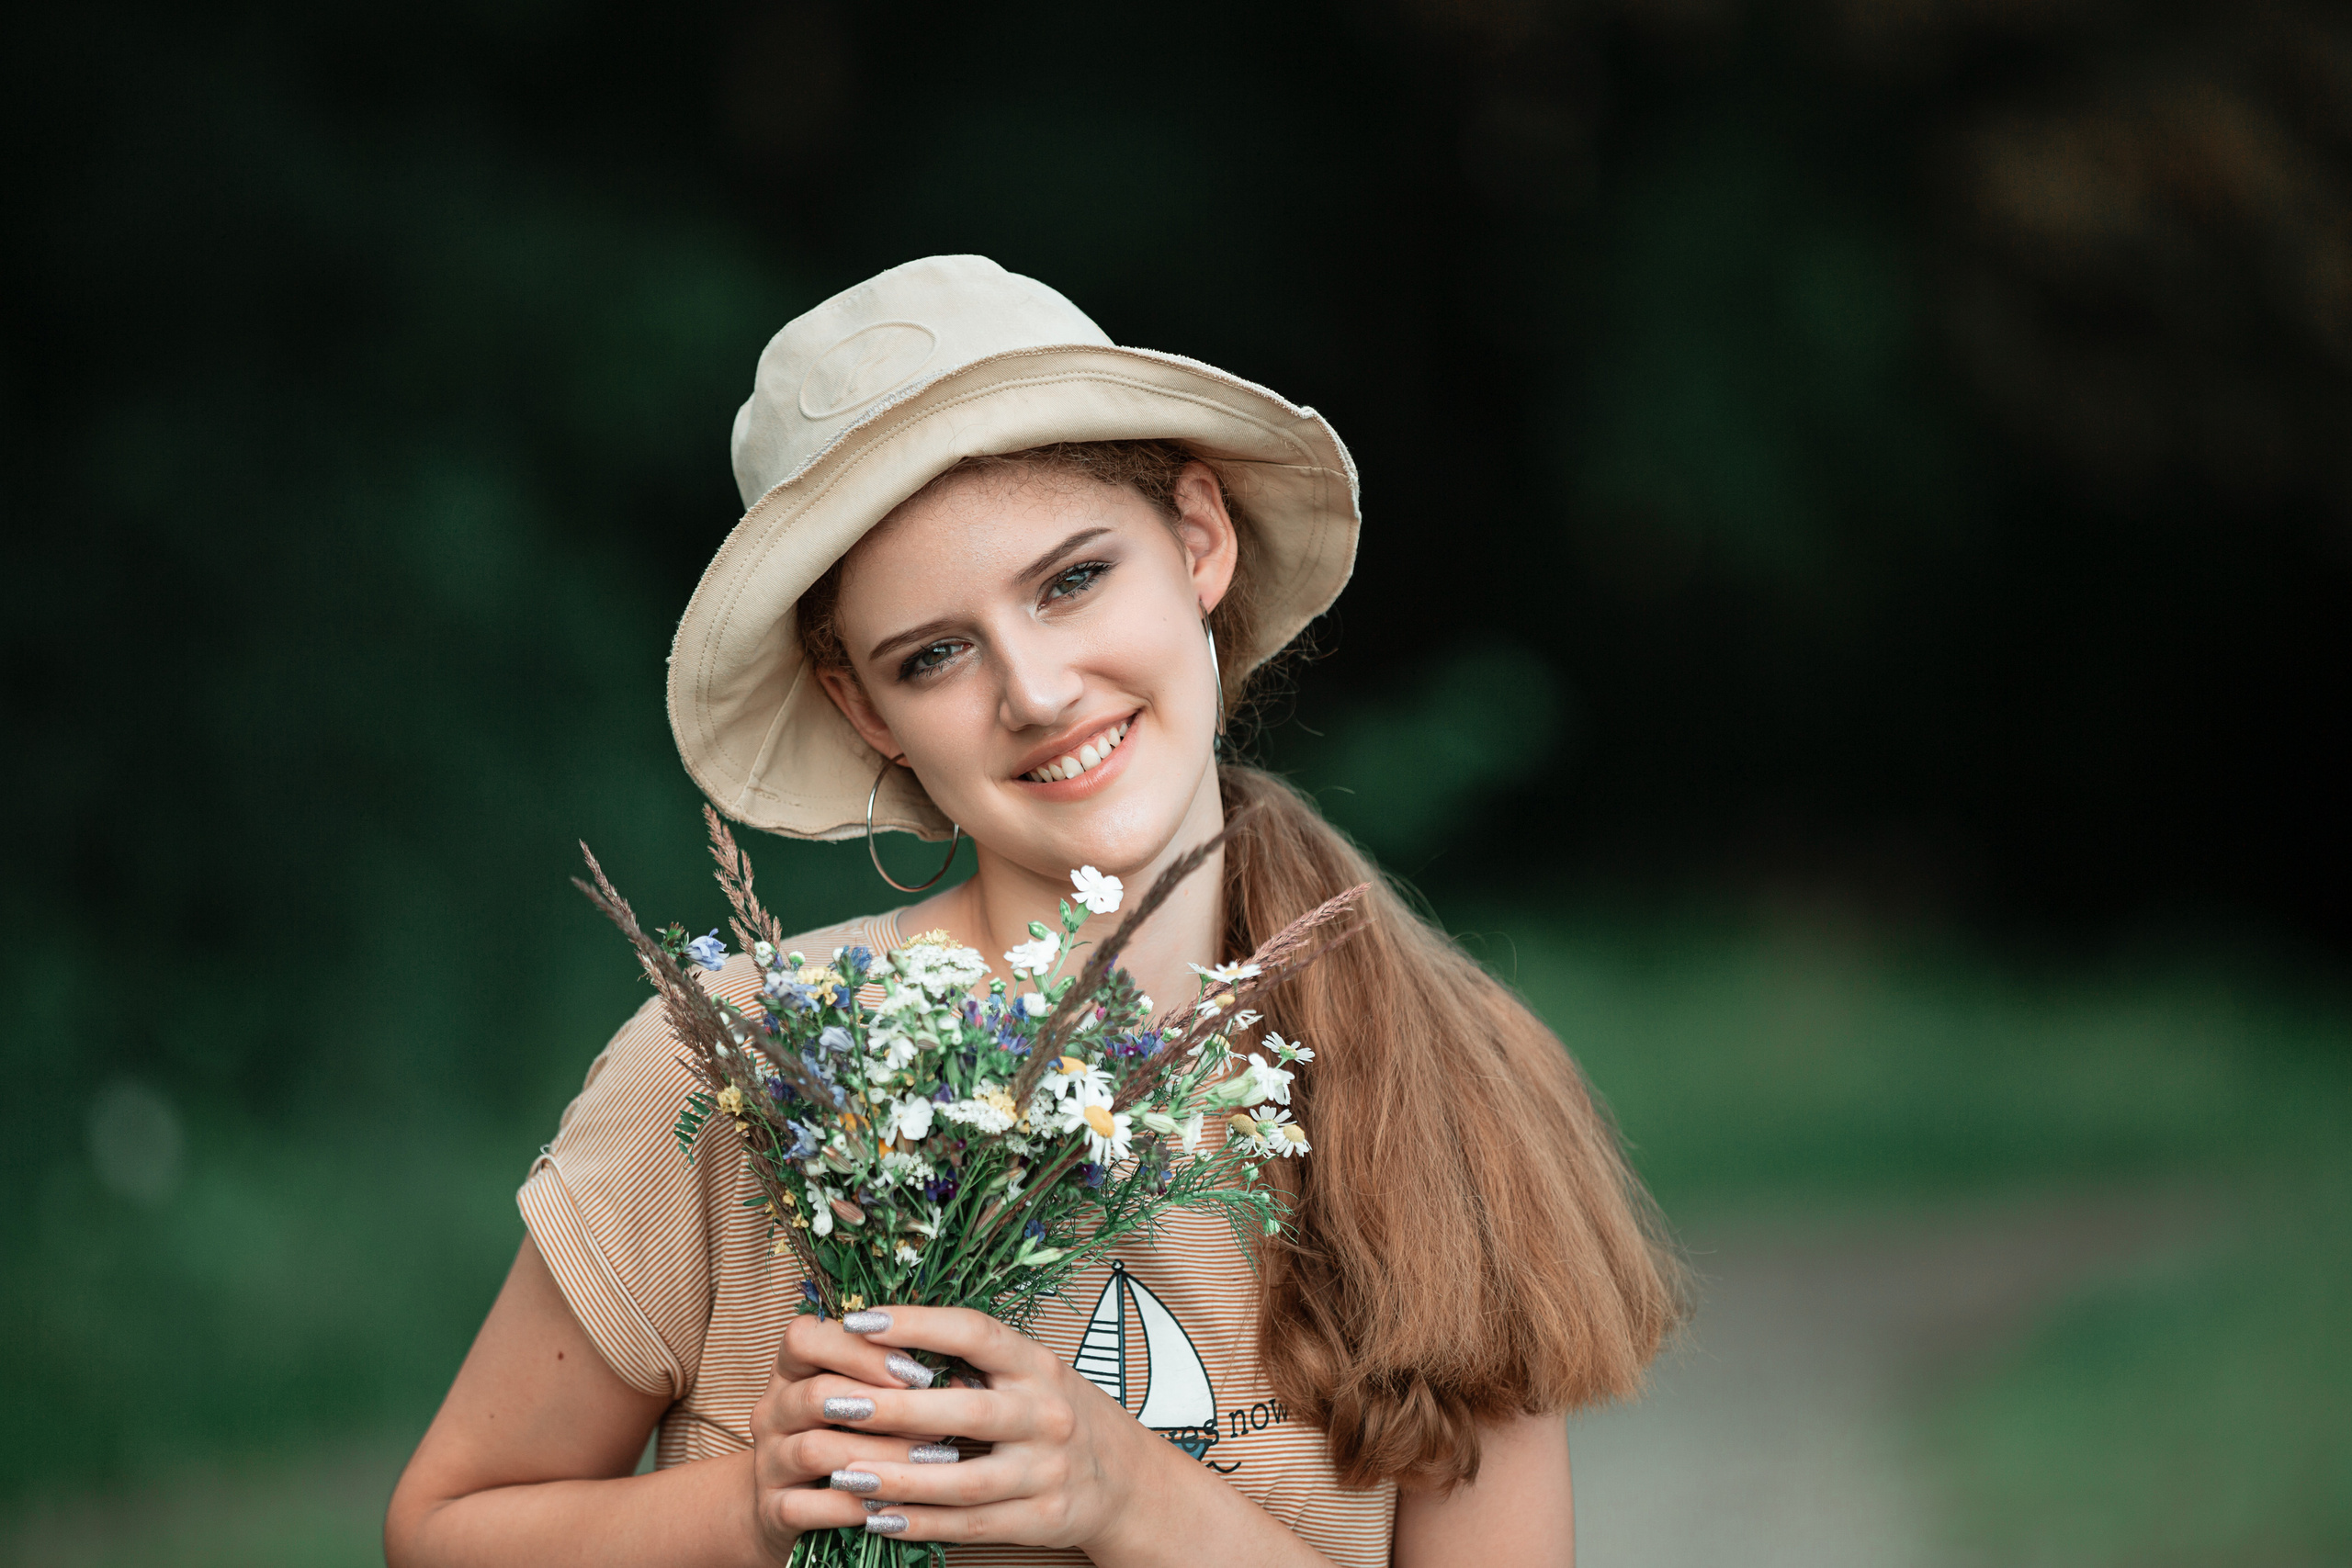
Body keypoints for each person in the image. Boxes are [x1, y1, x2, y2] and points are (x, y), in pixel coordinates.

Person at [385, 255, 1682, 1568]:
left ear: (1198, 538)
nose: (1039, 690)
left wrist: (1132, 1498)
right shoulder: (746, 1068)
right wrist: (749, 1508)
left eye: (1072, 580)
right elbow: (447, 1532)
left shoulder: (1455, 1075)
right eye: (933, 655)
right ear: (861, 707)